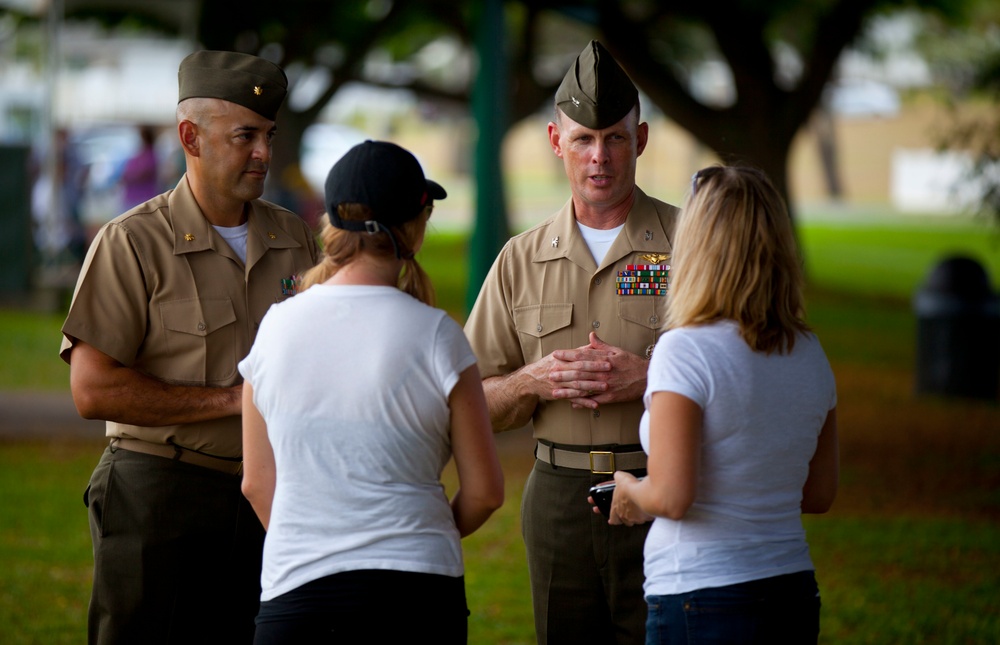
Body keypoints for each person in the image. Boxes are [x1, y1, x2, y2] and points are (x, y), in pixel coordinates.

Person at [59, 50, 319, 644]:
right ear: (190, 137)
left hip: (276, 495)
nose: (263, 152)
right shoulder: (132, 243)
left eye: (269, 135)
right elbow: (92, 388)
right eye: (245, 136)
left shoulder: (297, 240)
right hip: (160, 494)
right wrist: (235, 403)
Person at [240, 140, 505, 643]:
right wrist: (423, 531)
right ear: (417, 225)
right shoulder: (438, 336)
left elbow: (257, 482)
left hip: (296, 595)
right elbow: (486, 491)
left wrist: (315, 541)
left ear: (331, 224)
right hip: (418, 594)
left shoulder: (275, 329)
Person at [464, 40, 679, 644]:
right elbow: (473, 399)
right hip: (558, 499)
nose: (599, 157)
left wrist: (650, 377)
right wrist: (531, 381)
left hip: (666, 485)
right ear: (558, 143)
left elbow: (743, 371)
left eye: (614, 137)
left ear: (640, 139)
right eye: (583, 139)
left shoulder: (694, 243)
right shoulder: (520, 258)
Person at [605, 165, 840, 644]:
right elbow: (819, 494)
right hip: (792, 591)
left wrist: (629, 492)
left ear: (698, 246)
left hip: (702, 597)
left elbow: (671, 497)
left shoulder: (686, 349)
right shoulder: (809, 352)